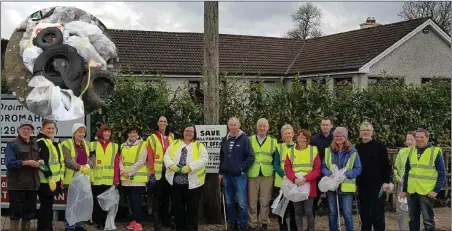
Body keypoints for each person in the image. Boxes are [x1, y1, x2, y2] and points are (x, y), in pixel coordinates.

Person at [400, 128, 446, 231]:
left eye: (422, 137)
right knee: (412, 219)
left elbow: (442, 173)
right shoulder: (412, 151)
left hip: (427, 192)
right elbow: (407, 172)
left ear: (427, 138)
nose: (419, 139)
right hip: (412, 191)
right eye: (417, 137)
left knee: (428, 220)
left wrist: (436, 190)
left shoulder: (435, 151)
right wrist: (404, 190)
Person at [164, 124, 208, 231]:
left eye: (191, 131)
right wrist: (171, 165)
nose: (188, 133)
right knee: (177, 209)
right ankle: (180, 228)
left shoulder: (199, 145)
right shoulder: (175, 143)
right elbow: (166, 155)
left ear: (194, 134)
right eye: (186, 130)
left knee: (192, 209)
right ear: (183, 132)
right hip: (175, 182)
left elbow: (204, 158)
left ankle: (192, 228)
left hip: (193, 184)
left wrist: (190, 167)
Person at [219, 117, 255, 231]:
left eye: (235, 125)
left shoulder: (244, 139)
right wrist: (220, 172)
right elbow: (222, 157)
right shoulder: (224, 139)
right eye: (231, 125)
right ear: (228, 126)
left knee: (242, 203)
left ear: (239, 125)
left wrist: (241, 168)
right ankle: (232, 224)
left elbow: (251, 157)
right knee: (229, 202)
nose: (233, 127)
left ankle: (243, 225)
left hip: (239, 176)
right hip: (226, 176)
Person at [322, 127, 361, 231]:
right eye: (336, 136)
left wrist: (346, 175)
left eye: (341, 135)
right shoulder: (328, 151)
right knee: (332, 212)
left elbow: (358, 169)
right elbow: (324, 166)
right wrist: (329, 174)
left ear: (345, 137)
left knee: (347, 213)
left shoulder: (353, 152)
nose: (338, 138)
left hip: (346, 187)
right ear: (334, 137)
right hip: (332, 186)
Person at [355, 122, 392, 231]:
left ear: (372, 132)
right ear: (360, 132)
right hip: (363, 186)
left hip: (378, 186)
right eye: (363, 130)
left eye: (368, 130)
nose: (365, 132)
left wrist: (386, 181)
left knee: (377, 215)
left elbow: (387, 165)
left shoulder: (380, 146)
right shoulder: (357, 148)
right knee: (365, 215)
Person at [5, 120, 41, 231]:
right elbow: (9, 163)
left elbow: (37, 159)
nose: (26, 131)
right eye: (23, 129)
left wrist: (40, 162)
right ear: (19, 130)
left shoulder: (34, 144)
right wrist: (27, 163)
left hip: (32, 186)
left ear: (32, 131)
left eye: (28, 129)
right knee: (15, 214)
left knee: (29, 214)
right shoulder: (12, 144)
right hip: (17, 186)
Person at [284, 129, 321, 231]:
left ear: (308, 139)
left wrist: (306, 178)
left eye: (304, 137)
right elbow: (287, 168)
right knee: (298, 211)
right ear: (297, 138)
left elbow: (317, 169)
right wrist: (294, 179)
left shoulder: (313, 150)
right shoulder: (290, 151)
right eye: (300, 137)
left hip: (309, 184)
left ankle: (311, 229)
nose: (302, 139)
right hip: (295, 184)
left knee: (309, 210)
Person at [61, 123, 95, 231]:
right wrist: (80, 167)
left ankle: (79, 225)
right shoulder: (66, 144)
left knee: (81, 202)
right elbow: (67, 160)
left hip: (84, 178)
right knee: (72, 202)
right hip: (72, 178)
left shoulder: (87, 144)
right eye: (79, 131)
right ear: (74, 133)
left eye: (83, 132)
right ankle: (69, 226)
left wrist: (89, 165)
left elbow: (93, 156)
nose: (82, 134)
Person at [247, 118, 277, 231]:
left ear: (268, 128)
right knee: (252, 200)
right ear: (256, 127)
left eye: (264, 126)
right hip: (252, 173)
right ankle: (252, 223)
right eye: (260, 126)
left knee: (265, 200)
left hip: (267, 174)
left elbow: (276, 159)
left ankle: (263, 223)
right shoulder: (249, 140)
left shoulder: (273, 142)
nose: (262, 128)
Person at [147, 116, 175, 231]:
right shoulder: (151, 138)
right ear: (157, 123)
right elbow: (150, 156)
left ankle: (166, 220)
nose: (163, 123)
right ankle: (156, 222)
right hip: (158, 173)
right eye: (161, 121)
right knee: (157, 198)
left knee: (167, 197)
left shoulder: (172, 136)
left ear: (167, 124)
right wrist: (152, 172)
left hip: (169, 172)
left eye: (165, 121)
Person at [89, 124, 120, 230]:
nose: (107, 133)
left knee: (106, 202)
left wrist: (116, 179)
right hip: (95, 178)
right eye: (105, 131)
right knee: (97, 202)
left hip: (108, 179)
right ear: (100, 132)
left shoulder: (115, 146)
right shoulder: (92, 145)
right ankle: (98, 221)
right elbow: (89, 162)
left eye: (109, 131)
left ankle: (104, 222)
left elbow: (116, 164)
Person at [36, 119, 64, 231]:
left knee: (48, 207)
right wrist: (49, 177)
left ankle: (45, 227)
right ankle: (45, 228)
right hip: (45, 181)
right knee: (46, 207)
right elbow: (41, 162)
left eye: (53, 128)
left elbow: (59, 162)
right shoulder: (40, 141)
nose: (51, 130)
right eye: (48, 128)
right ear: (42, 128)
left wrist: (60, 178)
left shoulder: (53, 141)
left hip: (55, 180)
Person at [120, 125, 148, 231]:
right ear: (128, 134)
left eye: (135, 132)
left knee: (136, 201)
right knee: (131, 202)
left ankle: (138, 223)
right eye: (131, 132)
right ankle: (133, 221)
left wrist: (130, 171)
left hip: (138, 179)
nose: (133, 134)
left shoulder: (143, 144)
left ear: (138, 134)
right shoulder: (123, 145)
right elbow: (120, 160)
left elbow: (142, 160)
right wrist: (123, 171)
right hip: (126, 179)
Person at [273, 124, 297, 231]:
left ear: (292, 134)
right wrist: (285, 175)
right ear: (282, 136)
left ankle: (294, 228)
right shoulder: (279, 147)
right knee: (282, 207)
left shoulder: (299, 147)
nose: (287, 135)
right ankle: (283, 228)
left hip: (295, 183)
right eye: (285, 134)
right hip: (281, 182)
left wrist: (292, 177)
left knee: (294, 209)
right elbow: (276, 165)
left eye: (289, 133)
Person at [310, 119, 334, 217]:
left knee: (332, 202)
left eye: (327, 125)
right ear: (320, 126)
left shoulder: (335, 138)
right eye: (323, 125)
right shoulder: (314, 139)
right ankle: (311, 226)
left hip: (331, 174)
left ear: (331, 126)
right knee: (313, 201)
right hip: (317, 173)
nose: (325, 127)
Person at [394, 131, 416, 231]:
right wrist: (399, 179)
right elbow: (395, 168)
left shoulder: (419, 152)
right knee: (401, 210)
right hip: (402, 185)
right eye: (408, 139)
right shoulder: (402, 152)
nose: (409, 141)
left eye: (412, 139)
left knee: (413, 210)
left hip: (415, 186)